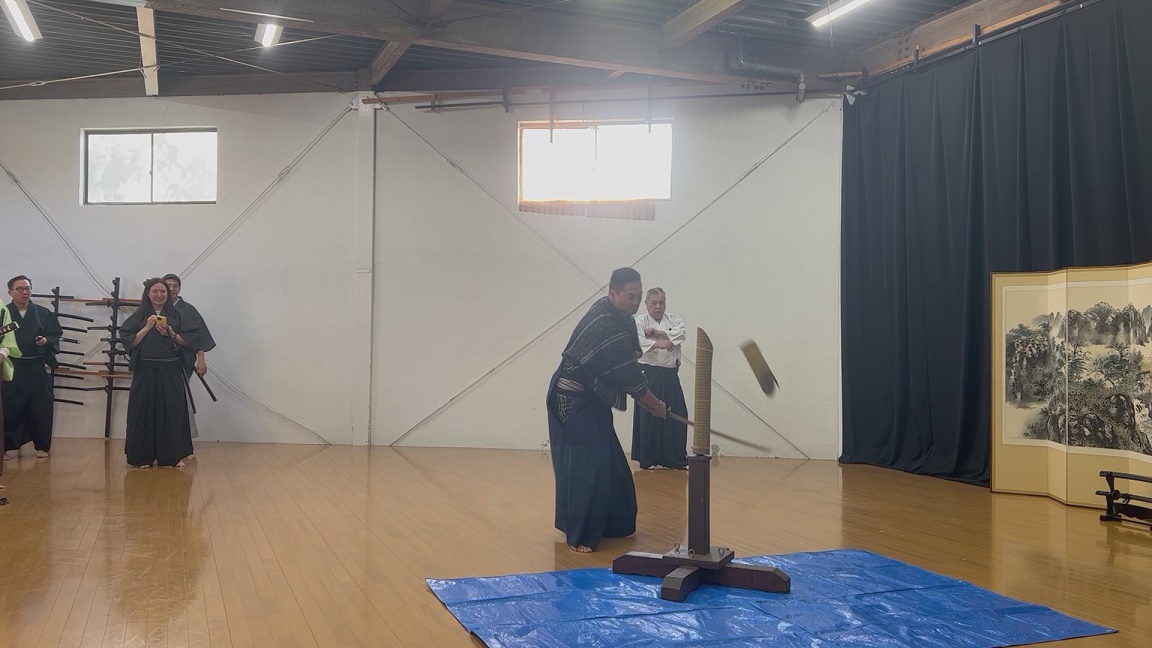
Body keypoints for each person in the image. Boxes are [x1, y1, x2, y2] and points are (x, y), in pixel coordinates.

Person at [546, 267, 668, 553]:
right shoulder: (605, 324)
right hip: (572, 400)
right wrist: (655, 405)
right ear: (612, 293)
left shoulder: (617, 316)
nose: (635, 302)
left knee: (610, 463)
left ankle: (614, 524)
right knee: (586, 467)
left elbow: (627, 363)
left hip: (593, 397)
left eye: (638, 296)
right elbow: (629, 376)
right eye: (630, 296)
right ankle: (580, 534)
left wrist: (648, 400)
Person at [119, 278, 195, 469]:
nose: (159, 295)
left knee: (172, 413)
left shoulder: (178, 315)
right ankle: (142, 457)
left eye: (163, 291)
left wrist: (170, 333)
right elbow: (130, 342)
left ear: (168, 294)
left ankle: (173, 456)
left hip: (170, 371)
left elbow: (190, 341)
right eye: (155, 291)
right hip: (145, 371)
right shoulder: (139, 316)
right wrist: (146, 327)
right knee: (142, 413)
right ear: (148, 294)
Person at [2, 275, 62, 460]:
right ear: (10, 292)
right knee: (9, 406)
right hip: (12, 366)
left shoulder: (42, 313)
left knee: (41, 406)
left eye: (27, 288)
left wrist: (45, 340)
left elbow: (55, 333)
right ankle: (6, 447)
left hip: (36, 366)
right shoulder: (4, 313)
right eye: (20, 289)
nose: (24, 292)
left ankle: (42, 446)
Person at [632, 288, 688, 470]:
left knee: (678, 414)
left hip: (670, 375)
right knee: (649, 417)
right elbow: (637, 341)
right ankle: (648, 459)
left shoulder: (674, 319)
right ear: (646, 304)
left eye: (661, 302)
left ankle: (675, 458)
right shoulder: (639, 321)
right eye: (654, 303)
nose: (658, 306)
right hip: (649, 375)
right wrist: (658, 343)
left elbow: (681, 334)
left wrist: (657, 333)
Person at [163, 274, 216, 455]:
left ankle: (184, 438)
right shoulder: (157, 308)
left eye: (175, 286)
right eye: (168, 285)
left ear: (179, 289)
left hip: (181, 360)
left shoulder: (188, 309)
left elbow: (198, 337)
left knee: (181, 398)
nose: (171, 289)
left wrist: (201, 359)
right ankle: (163, 438)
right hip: (158, 362)